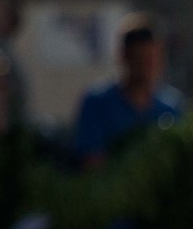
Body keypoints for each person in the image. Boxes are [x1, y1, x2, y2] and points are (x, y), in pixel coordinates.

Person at [73, 16, 183, 166]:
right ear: (124, 57)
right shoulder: (98, 103)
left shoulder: (171, 107)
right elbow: (91, 161)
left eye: (151, 59)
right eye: (139, 59)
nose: (146, 67)